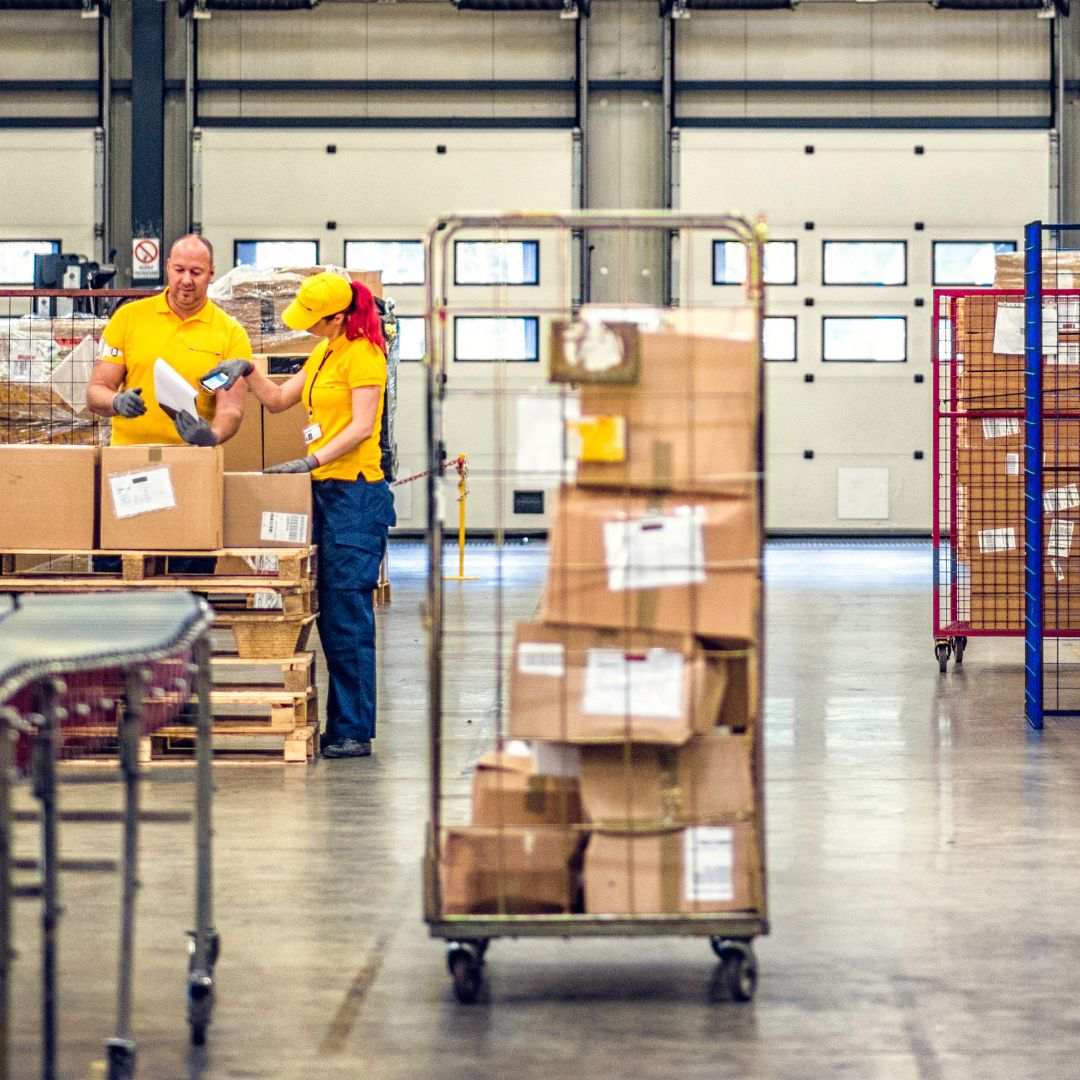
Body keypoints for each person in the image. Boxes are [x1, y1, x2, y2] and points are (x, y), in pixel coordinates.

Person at [200, 272, 396, 760]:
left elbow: (361, 426)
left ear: (336, 316)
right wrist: (247, 369)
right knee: (326, 609)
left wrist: (309, 461)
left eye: (313, 320)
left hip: (355, 496)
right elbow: (279, 400)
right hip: (324, 492)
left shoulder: (365, 354)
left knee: (346, 616)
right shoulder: (325, 350)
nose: (306, 327)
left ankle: (353, 729)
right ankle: (343, 724)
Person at [86, 234, 253, 574]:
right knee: (116, 573)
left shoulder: (229, 333)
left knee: (187, 582)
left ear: (211, 274)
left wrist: (212, 435)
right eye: (179, 270)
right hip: (130, 469)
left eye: (196, 271)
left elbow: (231, 409)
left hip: (191, 470)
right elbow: (96, 390)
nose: (186, 280)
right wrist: (116, 401)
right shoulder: (130, 319)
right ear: (166, 268)